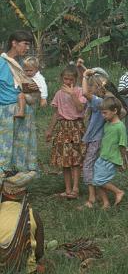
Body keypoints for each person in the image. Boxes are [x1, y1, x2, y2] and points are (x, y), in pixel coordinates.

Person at [0, 31, 39, 176]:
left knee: (21, 145)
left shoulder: (23, 64)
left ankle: (17, 182)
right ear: (14, 43)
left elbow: (23, 86)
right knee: (4, 145)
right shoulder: (2, 63)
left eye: (29, 44)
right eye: (25, 44)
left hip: (24, 110)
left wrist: (32, 87)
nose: (27, 48)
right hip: (6, 110)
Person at [45, 65, 86, 200]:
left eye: (71, 79)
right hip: (63, 128)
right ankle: (67, 189)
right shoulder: (58, 93)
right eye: (65, 79)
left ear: (76, 79)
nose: (68, 82)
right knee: (65, 160)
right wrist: (50, 130)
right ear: (61, 78)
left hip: (76, 127)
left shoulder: (80, 91)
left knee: (75, 159)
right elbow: (57, 114)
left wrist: (72, 94)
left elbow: (80, 108)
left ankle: (75, 188)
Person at [0, 170, 44, 274]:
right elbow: (39, 252)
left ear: (3, 191)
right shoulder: (32, 214)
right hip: (23, 270)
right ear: (24, 193)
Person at [80, 70, 113, 208]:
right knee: (95, 166)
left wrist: (84, 76)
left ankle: (92, 198)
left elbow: (84, 93)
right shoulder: (102, 102)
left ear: (97, 88)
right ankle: (98, 195)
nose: (88, 87)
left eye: (91, 86)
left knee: (88, 166)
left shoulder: (99, 101)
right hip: (97, 138)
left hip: (96, 139)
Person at [91, 97, 128, 209]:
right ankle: (106, 203)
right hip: (103, 156)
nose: (103, 115)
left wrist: (123, 161)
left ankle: (118, 192)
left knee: (99, 180)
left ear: (115, 111)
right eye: (102, 113)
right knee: (96, 181)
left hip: (111, 158)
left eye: (105, 113)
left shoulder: (120, 127)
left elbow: (123, 145)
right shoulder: (107, 124)